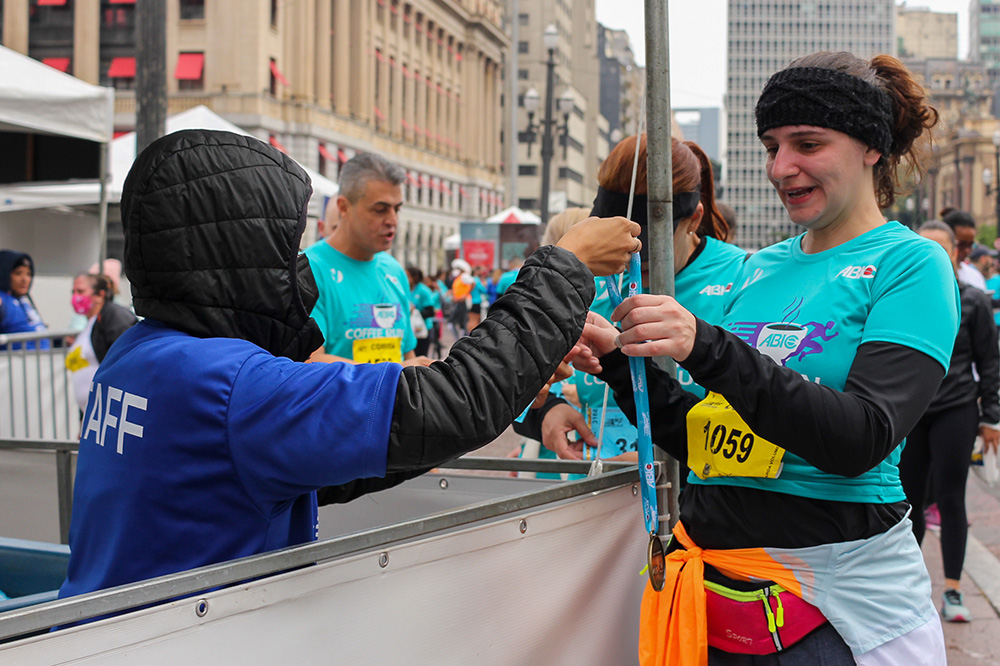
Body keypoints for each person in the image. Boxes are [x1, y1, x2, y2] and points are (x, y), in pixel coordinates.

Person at [58, 129, 641, 604]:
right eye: (283, 250)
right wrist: (566, 266)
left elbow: (365, 448)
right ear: (238, 252)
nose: (295, 270)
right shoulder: (231, 385)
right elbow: (442, 408)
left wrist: (521, 372)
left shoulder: (136, 355)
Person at [572, 52, 956, 664]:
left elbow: (860, 438)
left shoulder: (910, 266)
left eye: (807, 144)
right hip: (718, 604)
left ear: (871, 148)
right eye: (772, 146)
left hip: (834, 614)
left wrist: (707, 345)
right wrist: (620, 363)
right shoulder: (759, 268)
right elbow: (707, 443)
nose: (782, 168)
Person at [525, 136, 748, 468]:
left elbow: (762, 422)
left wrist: (664, 459)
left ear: (694, 219)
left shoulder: (742, 279)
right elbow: (511, 376)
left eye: (647, 239)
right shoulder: (589, 274)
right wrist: (547, 412)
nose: (630, 253)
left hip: (696, 506)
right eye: (613, 234)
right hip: (594, 498)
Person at [898, 220, 1000, 624]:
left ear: (957, 253)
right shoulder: (901, 297)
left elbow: (990, 364)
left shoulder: (972, 300)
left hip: (957, 409)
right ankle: (910, 586)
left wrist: (992, 417)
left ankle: (954, 590)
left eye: (943, 249)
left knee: (951, 498)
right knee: (908, 503)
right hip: (911, 413)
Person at [304, 153, 423, 366]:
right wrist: (394, 373)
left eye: (397, 209)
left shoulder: (394, 270)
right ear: (344, 207)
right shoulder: (309, 270)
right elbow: (309, 361)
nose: (392, 220)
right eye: (380, 210)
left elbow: (407, 356)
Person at [65, 273, 138, 412]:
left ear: (99, 295)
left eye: (80, 291)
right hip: (92, 413)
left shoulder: (113, 316)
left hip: (110, 410)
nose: (75, 296)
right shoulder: (89, 325)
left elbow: (125, 362)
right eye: (73, 292)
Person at [0, 250, 48, 349]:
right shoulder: (4, 300)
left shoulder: (24, 300)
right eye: (18, 273)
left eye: (28, 274)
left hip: (41, 360)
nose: (25, 279)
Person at [943, 210, 987, 291]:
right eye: (962, 244)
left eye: (970, 245)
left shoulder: (975, 276)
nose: (967, 250)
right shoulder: (935, 273)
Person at [406, 265, 435, 358]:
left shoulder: (423, 291)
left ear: (415, 277)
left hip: (422, 330)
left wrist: (415, 311)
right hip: (409, 329)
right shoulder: (405, 289)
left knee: (420, 356)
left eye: (408, 276)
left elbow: (431, 312)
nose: (405, 278)